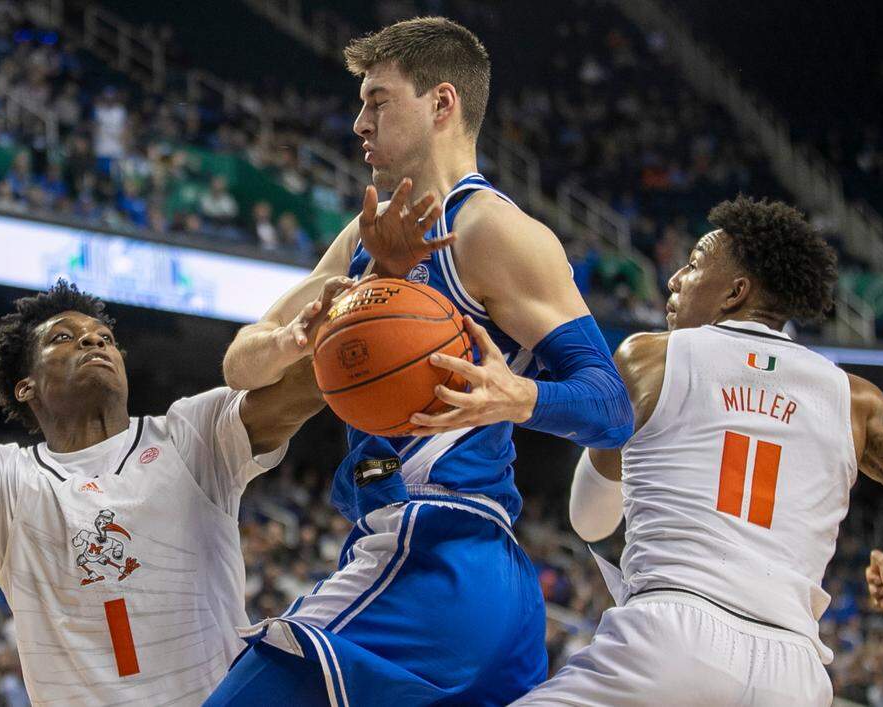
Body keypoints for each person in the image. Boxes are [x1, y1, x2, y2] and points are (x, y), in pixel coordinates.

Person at [209, 16, 633, 706]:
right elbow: (238, 363)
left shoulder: (492, 231)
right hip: (471, 581)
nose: (358, 123)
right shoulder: (358, 238)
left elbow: (612, 409)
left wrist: (520, 397)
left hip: (430, 549)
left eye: (377, 101)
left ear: (441, 104)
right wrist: (295, 340)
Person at [0, 142, 346, 705]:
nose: (93, 340)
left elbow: (305, 389)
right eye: (63, 338)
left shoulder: (191, 436)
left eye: (104, 337)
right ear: (24, 387)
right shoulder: (9, 483)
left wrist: (356, 312)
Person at [514, 196, 883, 706]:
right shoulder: (856, 402)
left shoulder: (651, 357)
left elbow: (589, 522)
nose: (675, 279)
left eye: (694, 264)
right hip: (795, 671)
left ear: (735, 292)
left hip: (672, 640)